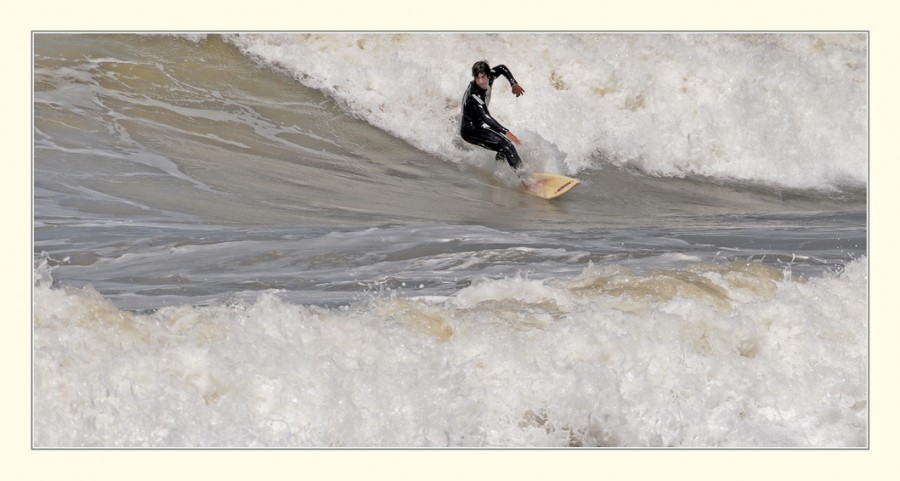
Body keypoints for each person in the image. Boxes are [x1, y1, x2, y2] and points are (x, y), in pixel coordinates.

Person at [459, 60, 527, 177]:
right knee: (507, 145)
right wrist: (505, 131)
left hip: (478, 126)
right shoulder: (475, 94)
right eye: (477, 78)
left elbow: (501, 68)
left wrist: (513, 83)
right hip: (470, 130)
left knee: (502, 148)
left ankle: (498, 173)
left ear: (489, 75)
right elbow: (486, 117)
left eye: (483, 77)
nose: (481, 81)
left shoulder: (491, 76)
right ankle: (526, 180)